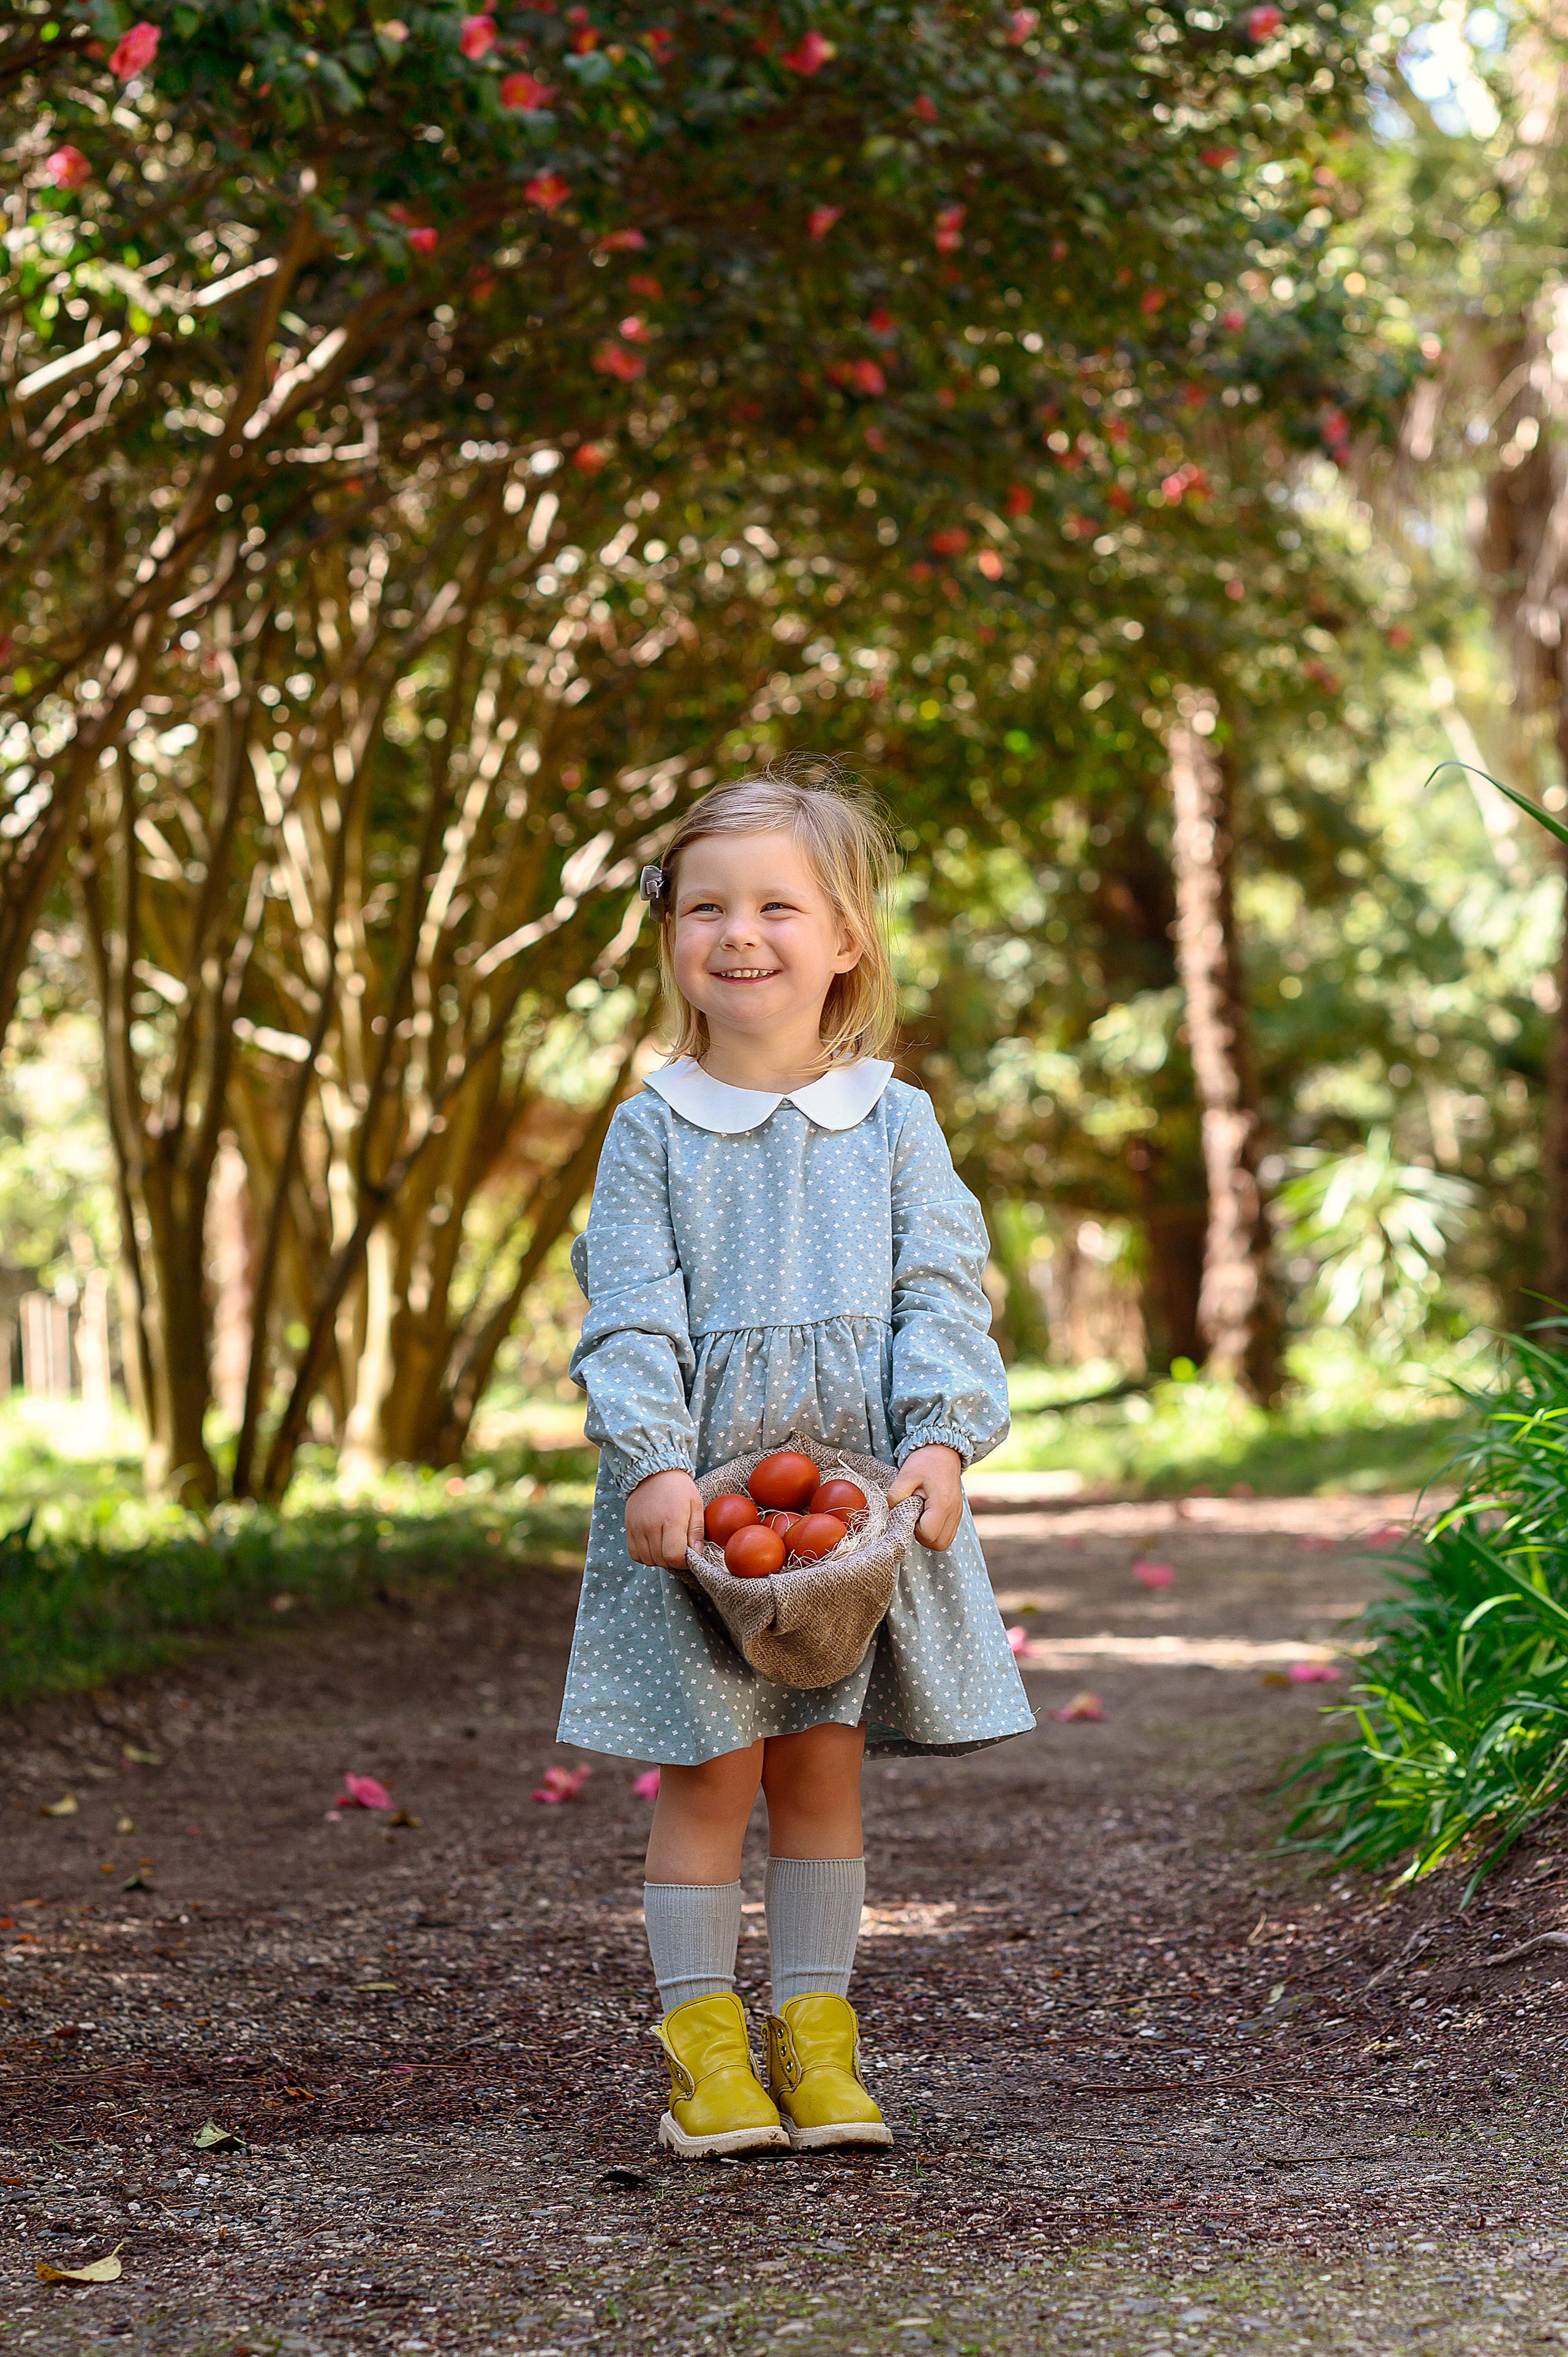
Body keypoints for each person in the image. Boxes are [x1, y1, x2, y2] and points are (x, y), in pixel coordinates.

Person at [559, 763, 1033, 2158]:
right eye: (706, 906)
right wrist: (651, 1459)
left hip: (846, 1512)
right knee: (710, 1769)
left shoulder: (892, 1120)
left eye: (777, 904)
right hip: (705, 1502)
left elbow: (940, 1292)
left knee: (822, 1763)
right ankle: (704, 2044)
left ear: (844, 944)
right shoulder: (650, 1129)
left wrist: (942, 1436)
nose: (739, 932)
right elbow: (631, 1306)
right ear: (670, 937)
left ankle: (817, 2037)